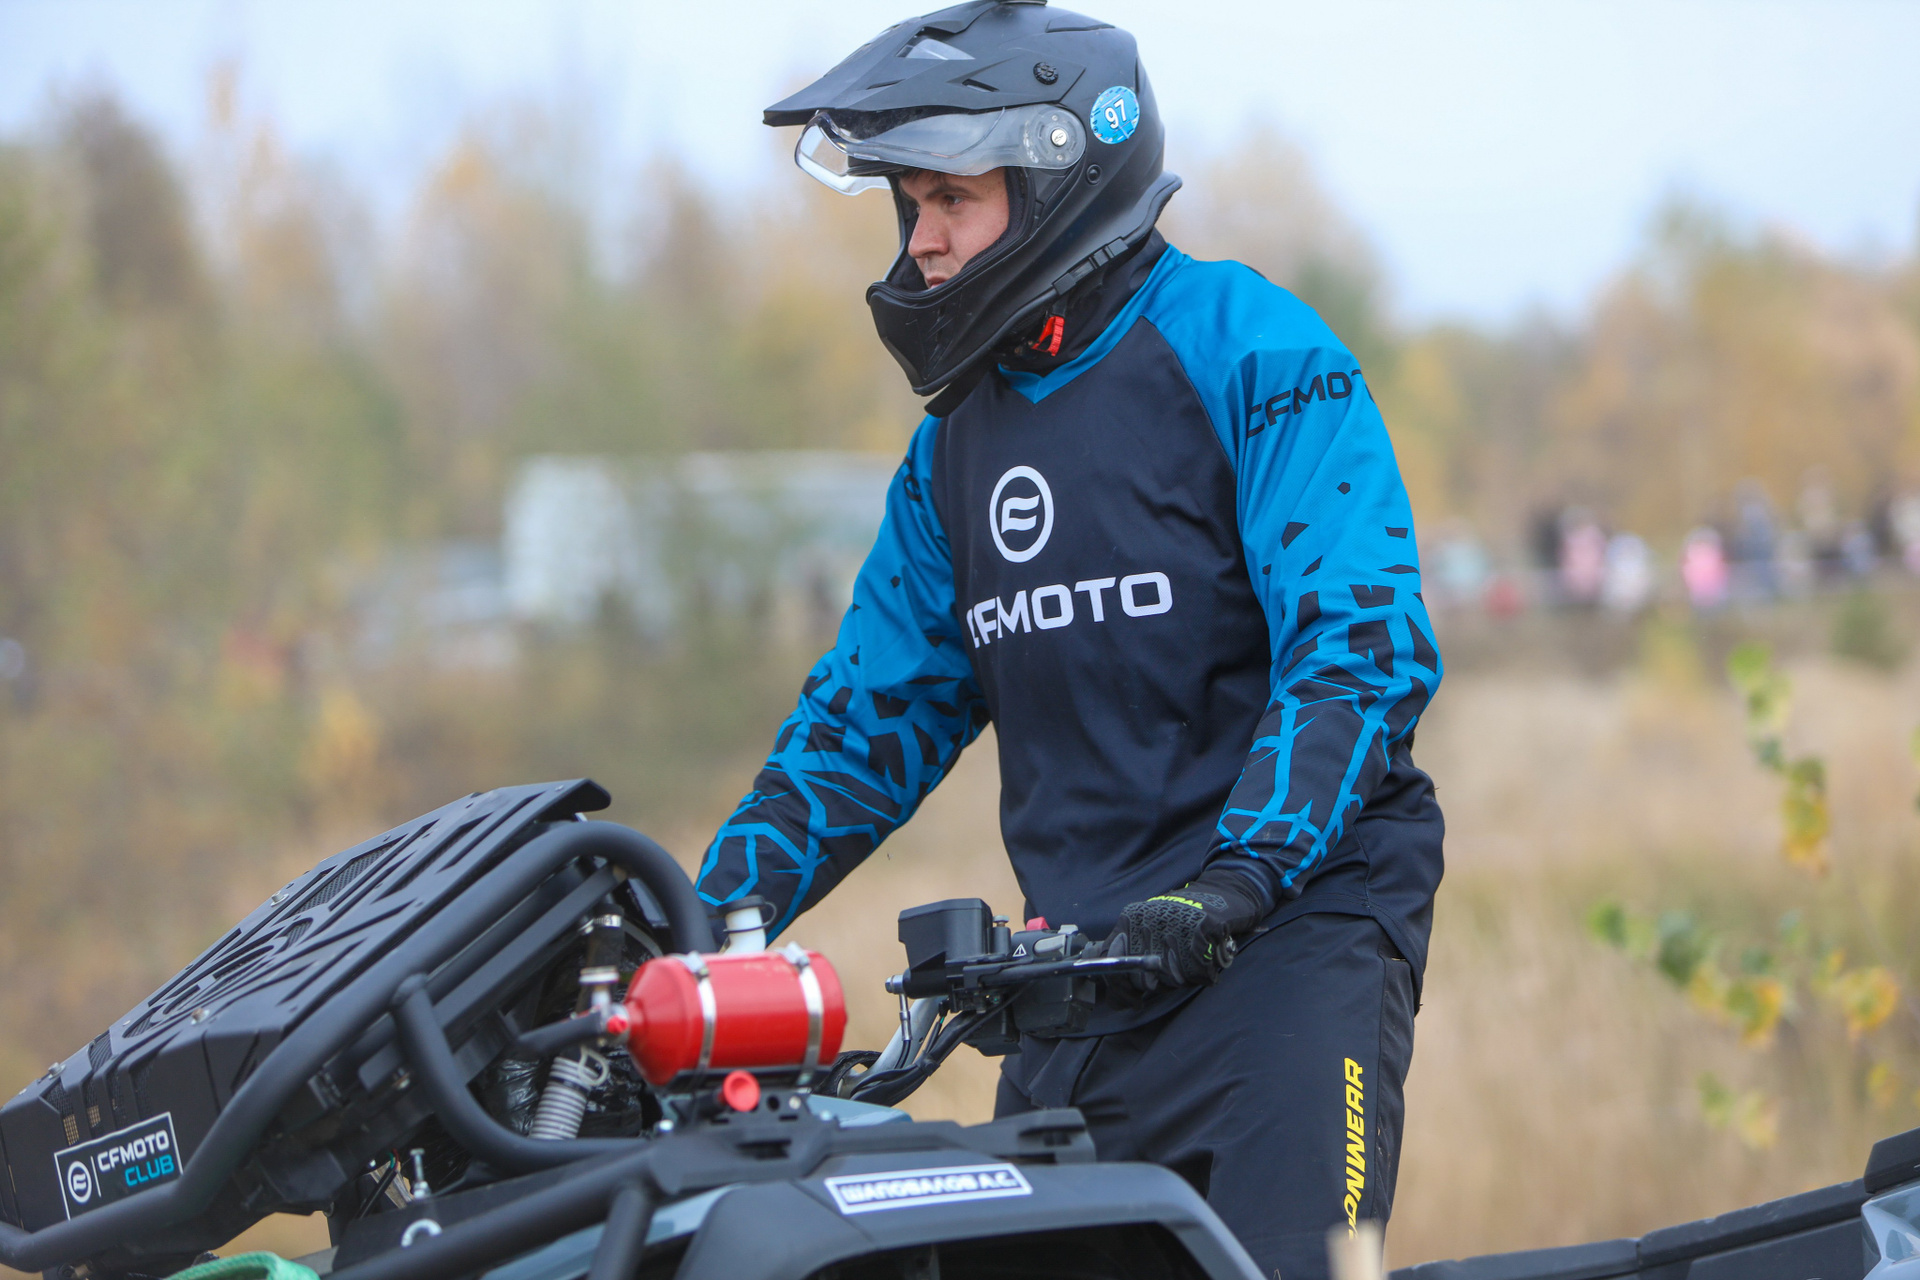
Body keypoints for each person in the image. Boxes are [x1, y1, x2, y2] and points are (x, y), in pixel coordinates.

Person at [696, 5, 1444, 1275]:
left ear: (1057, 180)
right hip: (1077, 979)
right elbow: (864, 723)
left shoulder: (1253, 351)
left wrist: (1237, 879)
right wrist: (706, 922)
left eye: (950, 199)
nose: (921, 241)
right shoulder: (952, 451)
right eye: (908, 206)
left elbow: (1358, 646)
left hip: (1285, 940)